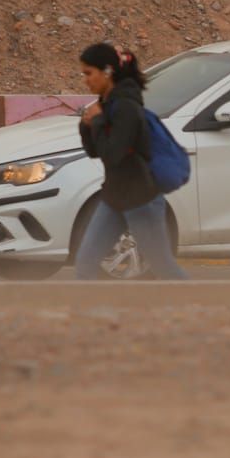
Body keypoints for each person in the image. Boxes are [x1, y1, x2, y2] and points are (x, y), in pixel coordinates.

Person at [74, 42, 188, 281]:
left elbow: (114, 154)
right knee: (85, 264)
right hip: (115, 196)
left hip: (141, 200)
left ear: (107, 71)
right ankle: (83, 317)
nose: (85, 80)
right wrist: (86, 125)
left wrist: (96, 123)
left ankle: (203, 308)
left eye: (89, 73)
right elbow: (96, 151)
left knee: (163, 267)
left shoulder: (126, 107)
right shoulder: (108, 105)